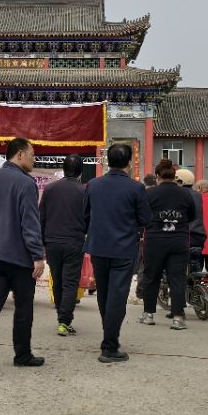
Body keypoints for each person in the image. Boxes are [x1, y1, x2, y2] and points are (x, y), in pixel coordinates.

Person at [0, 139, 47, 374]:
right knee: (23, 307)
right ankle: (22, 354)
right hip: (18, 255)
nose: (34, 159)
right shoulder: (26, 183)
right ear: (20, 154)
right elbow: (30, 222)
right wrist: (38, 255)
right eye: (32, 154)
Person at [84, 143, 153, 362]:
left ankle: (109, 336)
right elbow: (145, 219)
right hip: (123, 248)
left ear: (108, 162)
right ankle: (110, 346)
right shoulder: (136, 188)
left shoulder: (93, 184)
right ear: (129, 163)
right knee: (117, 297)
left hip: (98, 247)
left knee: (104, 294)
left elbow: (85, 215)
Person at [141, 159, 198, 331]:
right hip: (179, 241)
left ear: (158, 176)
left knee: (151, 277)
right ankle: (178, 318)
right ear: (174, 176)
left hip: (155, 240)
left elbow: (142, 216)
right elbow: (192, 216)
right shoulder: (186, 194)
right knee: (177, 279)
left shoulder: (150, 194)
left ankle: (148, 315)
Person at [40, 154, 89, 336]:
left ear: (63, 169)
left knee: (57, 280)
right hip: (74, 242)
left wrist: (42, 241)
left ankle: (62, 317)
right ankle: (64, 321)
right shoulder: (84, 192)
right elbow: (89, 218)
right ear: (80, 172)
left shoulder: (50, 189)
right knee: (70, 283)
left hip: (52, 242)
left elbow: (41, 217)